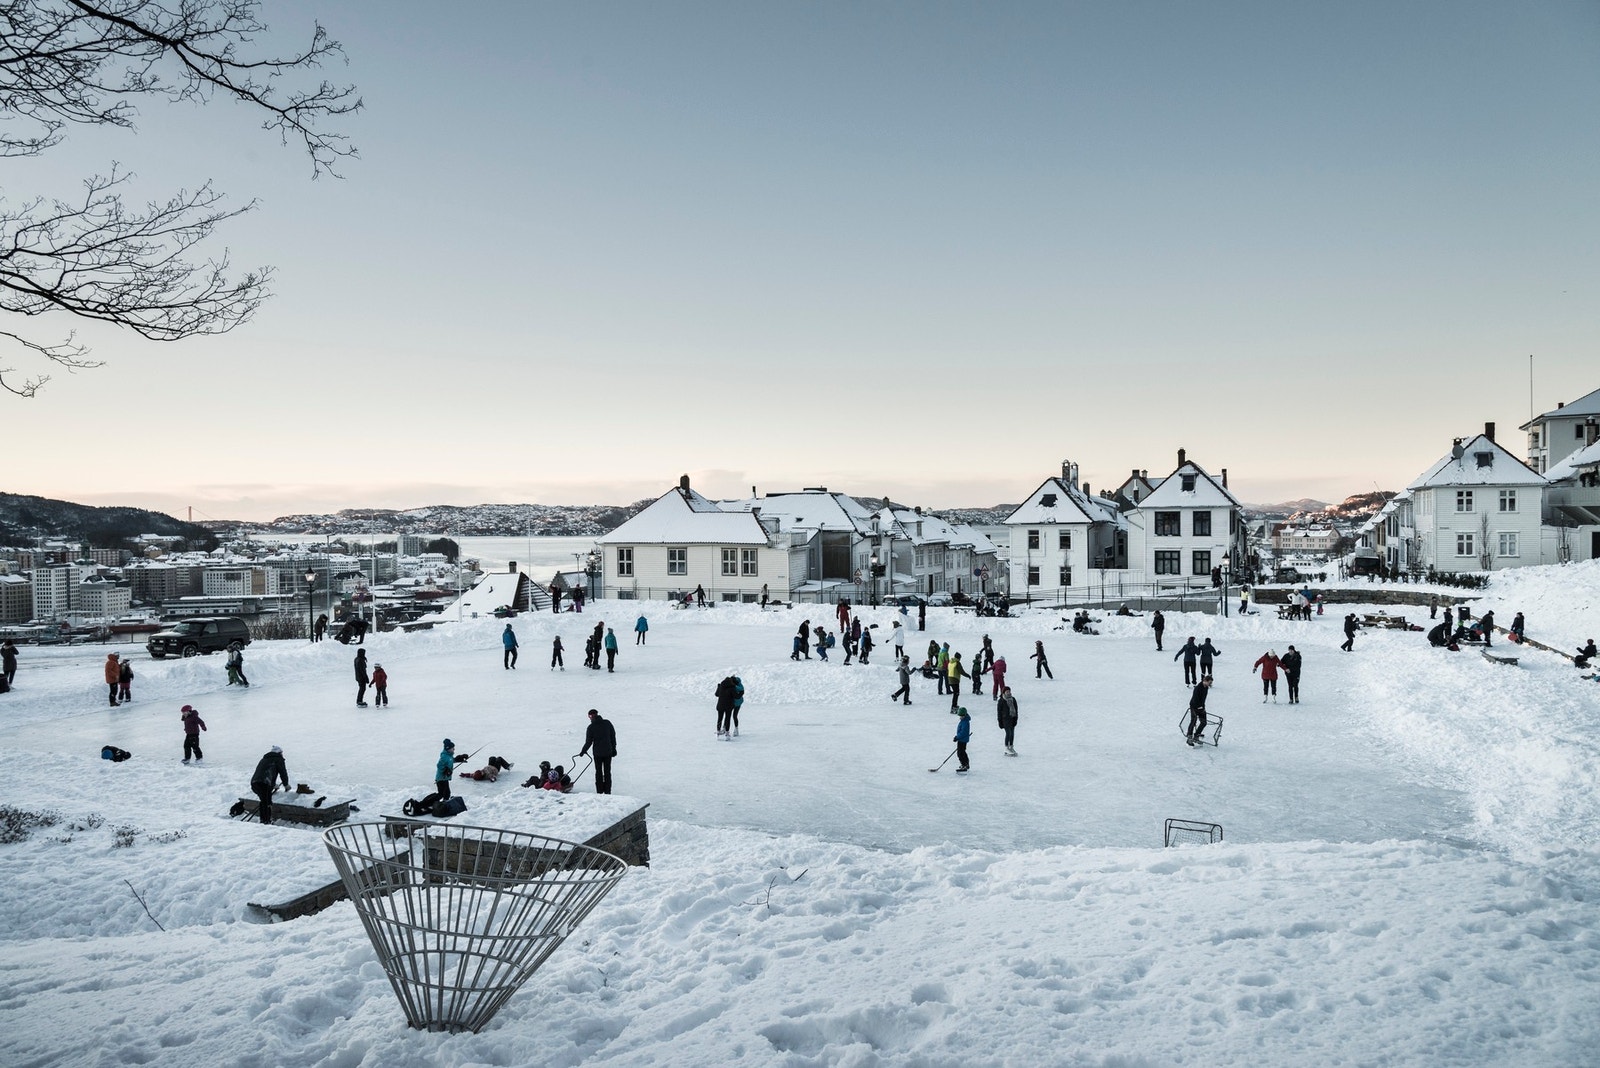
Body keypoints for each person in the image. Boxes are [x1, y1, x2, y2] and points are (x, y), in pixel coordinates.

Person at [580, 709, 617, 794]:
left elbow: (589, 742)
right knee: (607, 772)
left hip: (598, 754)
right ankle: (607, 791)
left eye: (590, 716)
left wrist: (583, 751)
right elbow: (613, 736)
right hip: (608, 752)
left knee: (599, 772)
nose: (590, 718)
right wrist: (614, 748)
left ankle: (599, 791)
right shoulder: (607, 723)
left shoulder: (591, 727)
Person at [250, 745, 289, 824]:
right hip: (264, 783)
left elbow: (265, 772)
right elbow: (283, 772)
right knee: (267, 802)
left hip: (254, 783)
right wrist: (286, 785)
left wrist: (273, 784)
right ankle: (266, 821)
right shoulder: (278, 759)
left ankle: (263, 820)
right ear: (279, 753)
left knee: (264, 800)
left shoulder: (264, 759)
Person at [1185, 676, 1212, 746]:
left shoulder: (1206, 688)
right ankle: (1189, 737)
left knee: (1204, 722)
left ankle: (1196, 736)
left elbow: (1203, 699)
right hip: (1194, 706)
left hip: (1201, 707)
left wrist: (1203, 707)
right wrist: (1199, 707)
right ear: (1205, 680)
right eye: (1209, 682)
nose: (1210, 684)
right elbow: (1195, 700)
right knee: (1193, 721)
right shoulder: (1198, 688)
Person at [996, 686, 1018, 755]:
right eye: (1007, 691)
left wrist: (1016, 718)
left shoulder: (1013, 699)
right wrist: (1000, 721)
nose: (1008, 693)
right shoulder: (1001, 700)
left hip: (1012, 718)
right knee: (1008, 733)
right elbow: (999, 711)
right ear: (1004, 692)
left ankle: (1011, 746)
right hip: (1005, 720)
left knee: (1012, 734)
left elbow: (1016, 709)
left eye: (1009, 691)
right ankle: (1006, 748)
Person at [953, 707, 971, 773]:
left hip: (962, 740)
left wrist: (957, 737)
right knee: (962, 752)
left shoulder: (965, 722)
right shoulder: (964, 721)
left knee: (960, 753)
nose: (960, 717)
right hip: (962, 739)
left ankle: (964, 764)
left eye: (961, 716)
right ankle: (966, 764)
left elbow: (963, 732)